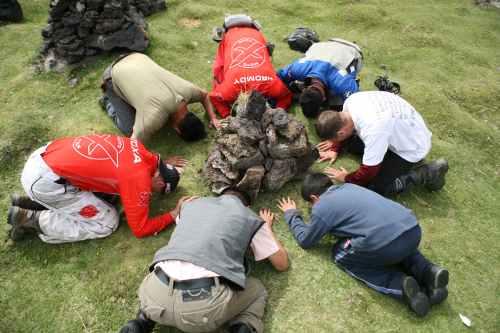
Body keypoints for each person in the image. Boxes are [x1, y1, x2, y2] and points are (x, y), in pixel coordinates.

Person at [277, 173, 449, 317]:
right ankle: (429, 272)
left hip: (385, 244)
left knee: (339, 254)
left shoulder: (322, 206)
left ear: (314, 198)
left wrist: (292, 214)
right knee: (398, 242)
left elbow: (305, 240)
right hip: (412, 229)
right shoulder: (349, 187)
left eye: (311, 204)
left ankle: (401, 286)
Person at [119, 190, 289, 333]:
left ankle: (141, 322)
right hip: (200, 311)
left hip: (153, 295)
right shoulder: (249, 217)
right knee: (257, 289)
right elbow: (282, 264)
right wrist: (265, 227)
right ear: (247, 206)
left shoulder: (191, 205)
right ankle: (243, 327)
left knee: (157, 292)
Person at [7, 134, 187, 243]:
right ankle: (33, 218)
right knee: (107, 223)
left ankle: (35, 202)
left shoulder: (138, 148)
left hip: (43, 156)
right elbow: (140, 229)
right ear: (161, 183)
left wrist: (163, 164)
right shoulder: (138, 181)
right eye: (157, 191)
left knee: (109, 196)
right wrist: (173, 213)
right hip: (46, 181)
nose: (152, 193)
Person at [316, 91, 449, 196]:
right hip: (399, 128)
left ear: (340, 133)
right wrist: (335, 147)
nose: (334, 142)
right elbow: (346, 130)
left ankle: (428, 172)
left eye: (335, 139)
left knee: (374, 187)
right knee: (351, 143)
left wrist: (347, 178)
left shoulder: (373, 128)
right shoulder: (350, 104)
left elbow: (368, 171)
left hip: (411, 147)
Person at [100, 52, 216, 142]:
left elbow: (205, 96)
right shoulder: (153, 117)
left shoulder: (188, 92)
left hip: (135, 56)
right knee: (129, 129)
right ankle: (107, 101)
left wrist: (213, 118)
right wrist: (159, 163)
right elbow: (133, 143)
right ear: (176, 129)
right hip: (112, 75)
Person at [208, 14, 293, 119]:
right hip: (262, 83)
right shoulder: (258, 34)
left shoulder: (225, 38)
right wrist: (278, 113)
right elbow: (286, 95)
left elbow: (214, 95)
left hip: (235, 85)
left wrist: (227, 116)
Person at [277, 39, 363, 118]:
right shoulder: (298, 69)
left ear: (324, 98)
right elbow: (279, 76)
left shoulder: (341, 83)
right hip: (325, 44)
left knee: (338, 106)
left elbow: (356, 104)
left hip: (352, 50)